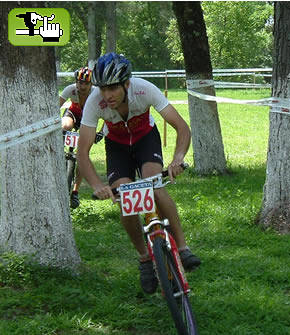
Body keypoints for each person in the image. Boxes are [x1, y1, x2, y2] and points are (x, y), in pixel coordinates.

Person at [77, 53, 201, 294]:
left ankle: (183, 248)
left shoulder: (145, 89)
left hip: (146, 139)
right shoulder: (95, 102)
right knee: (126, 200)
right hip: (117, 146)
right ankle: (145, 258)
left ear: (126, 84)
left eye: (113, 88)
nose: (107, 95)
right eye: (103, 89)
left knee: (154, 185)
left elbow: (181, 127)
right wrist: (96, 185)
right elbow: (83, 152)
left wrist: (178, 158)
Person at [60, 67, 97, 209]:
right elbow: (55, 105)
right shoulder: (70, 89)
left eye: (85, 84)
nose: (82, 86)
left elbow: (107, 115)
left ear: (91, 84)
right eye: (79, 83)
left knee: (83, 155)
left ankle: (75, 190)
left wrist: (100, 132)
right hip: (73, 114)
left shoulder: (96, 93)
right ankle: (60, 152)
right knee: (66, 126)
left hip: (88, 119)